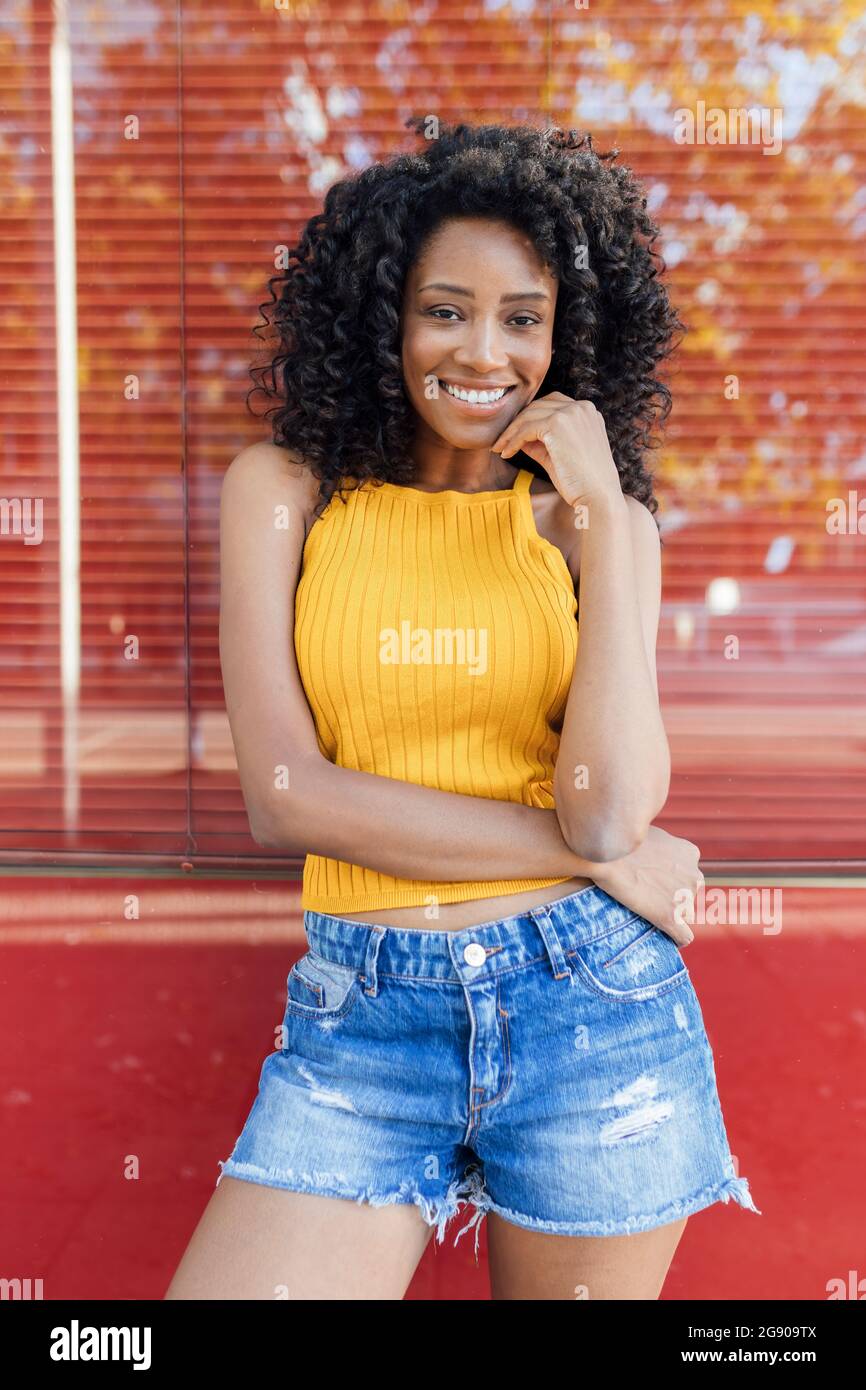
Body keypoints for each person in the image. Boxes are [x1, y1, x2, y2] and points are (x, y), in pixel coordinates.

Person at [165, 120, 760, 1301]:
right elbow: (286, 797)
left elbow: (605, 815)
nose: (481, 350)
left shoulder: (595, 528)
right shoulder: (282, 494)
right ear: (382, 317)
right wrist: (607, 861)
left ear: (566, 339)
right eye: (444, 309)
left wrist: (606, 516)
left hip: (593, 1008)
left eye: (520, 318)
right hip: (362, 1015)